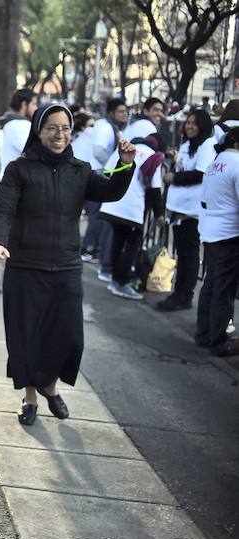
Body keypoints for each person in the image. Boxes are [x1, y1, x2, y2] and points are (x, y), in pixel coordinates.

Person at [0, 104, 136, 425]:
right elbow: (3, 210)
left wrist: (125, 164)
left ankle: (50, 388)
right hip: (25, 265)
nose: (60, 134)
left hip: (66, 267)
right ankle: (30, 398)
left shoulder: (80, 170)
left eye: (66, 128)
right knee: (26, 335)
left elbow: (111, 190)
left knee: (68, 336)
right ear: (38, 131)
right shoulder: (19, 169)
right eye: (52, 128)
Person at [157, 108, 217, 311]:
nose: (190, 126)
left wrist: (174, 178)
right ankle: (178, 292)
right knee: (181, 254)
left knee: (189, 256)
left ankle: (184, 296)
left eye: (194, 123)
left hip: (192, 211)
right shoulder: (185, 145)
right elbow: (180, 168)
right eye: (188, 122)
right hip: (177, 209)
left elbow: (200, 174)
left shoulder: (207, 146)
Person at [100, 135, 165, 300]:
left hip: (114, 202)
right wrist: (159, 214)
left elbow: (107, 171)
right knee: (133, 244)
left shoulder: (126, 148)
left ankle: (114, 278)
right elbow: (155, 189)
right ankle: (122, 282)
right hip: (133, 208)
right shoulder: (153, 156)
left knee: (118, 240)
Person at [195, 127, 239, 356]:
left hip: (211, 231)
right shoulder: (237, 164)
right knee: (223, 289)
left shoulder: (215, 164)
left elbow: (205, 200)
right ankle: (218, 339)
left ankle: (204, 333)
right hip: (229, 234)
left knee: (211, 285)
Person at [84, 98, 129, 271]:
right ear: (111, 113)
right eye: (120, 111)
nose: (124, 114)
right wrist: (112, 168)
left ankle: (91, 247)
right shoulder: (104, 126)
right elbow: (98, 151)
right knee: (97, 216)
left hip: (100, 173)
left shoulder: (112, 126)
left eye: (126, 111)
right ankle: (89, 248)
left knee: (98, 215)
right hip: (98, 174)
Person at [0, 88, 38, 178]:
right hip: (16, 183)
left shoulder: (13, 123)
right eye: (34, 104)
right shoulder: (18, 125)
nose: (36, 108)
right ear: (24, 104)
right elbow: (33, 151)